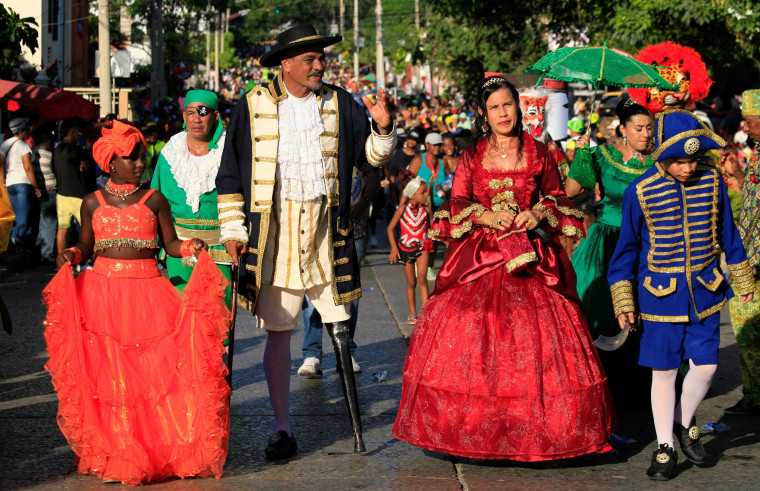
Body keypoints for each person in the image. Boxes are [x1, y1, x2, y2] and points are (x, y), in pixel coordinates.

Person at [393, 76, 614, 461]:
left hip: (532, 257)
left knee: (537, 340)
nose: (502, 113)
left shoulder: (540, 152)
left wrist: (536, 212)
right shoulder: (471, 154)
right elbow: (458, 200)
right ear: (484, 113)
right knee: (471, 335)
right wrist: (486, 215)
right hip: (481, 256)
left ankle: (542, 433)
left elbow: (556, 196)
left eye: (508, 105)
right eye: (494, 107)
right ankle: (475, 432)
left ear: (518, 107)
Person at [216, 25, 396, 459]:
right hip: (273, 237)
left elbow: (369, 159)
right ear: (286, 65)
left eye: (321, 59)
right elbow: (231, 173)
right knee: (279, 334)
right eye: (310, 60)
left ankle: (355, 425)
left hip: (324, 235)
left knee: (339, 327)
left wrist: (383, 129)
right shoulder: (252, 104)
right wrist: (234, 231)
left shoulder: (338, 103)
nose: (320, 66)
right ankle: (282, 427)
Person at [42, 121, 231, 485]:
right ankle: (119, 451)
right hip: (102, 294)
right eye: (131, 158)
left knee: (153, 375)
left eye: (142, 156)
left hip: (149, 293)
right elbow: (85, 244)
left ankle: (156, 448)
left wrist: (189, 248)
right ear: (111, 163)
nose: (141, 163)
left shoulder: (154, 200)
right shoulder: (91, 202)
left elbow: (170, 245)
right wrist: (71, 254)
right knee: (110, 377)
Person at [608, 110, 755, 481]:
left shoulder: (712, 182)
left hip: (706, 291)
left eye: (692, 160)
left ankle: (682, 421)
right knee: (664, 373)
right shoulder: (638, 191)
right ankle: (665, 446)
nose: (688, 169)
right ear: (661, 156)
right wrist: (624, 301)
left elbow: (729, 235)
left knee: (706, 368)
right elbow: (625, 251)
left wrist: (742, 277)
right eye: (679, 161)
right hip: (660, 297)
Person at [564, 98, 655, 404]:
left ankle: (647, 383)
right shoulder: (603, 155)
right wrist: (582, 154)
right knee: (598, 312)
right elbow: (572, 191)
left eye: (649, 128)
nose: (645, 134)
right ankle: (597, 384)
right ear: (623, 129)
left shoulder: (659, 160)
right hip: (606, 244)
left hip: (647, 245)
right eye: (639, 128)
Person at [297, 167, 382, 377]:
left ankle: (346, 351)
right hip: (317, 227)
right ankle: (312, 354)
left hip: (354, 227)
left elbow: (374, 176)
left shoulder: (359, 142)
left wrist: (364, 202)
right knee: (313, 289)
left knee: (350, 290)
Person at [151, 90, 233, 306]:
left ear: (215, 116)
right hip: (180, 250)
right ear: (184, 116)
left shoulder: (230, 152)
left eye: (203, 112)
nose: (196, 119)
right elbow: (155, 202)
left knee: (218, 320)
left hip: (220, 249)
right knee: (184, 316)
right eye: (190, 113)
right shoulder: (169, 154)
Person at [722, 89, 760, 415]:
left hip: (756, 261)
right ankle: (752, 394)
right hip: (748, 255)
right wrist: (738, 175)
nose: (745, 127)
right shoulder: (757, 152)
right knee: (745, 329)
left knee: (749, 330)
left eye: (749, 121)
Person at [387, 177, 432, 325]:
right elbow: (390, 228)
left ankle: (426, 311)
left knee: (422, 279)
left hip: (422, 246)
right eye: (423, 192)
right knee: (411, 281)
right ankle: (413, 313)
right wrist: (394, 247)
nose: (426, 195)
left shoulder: (426, 210)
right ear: (412, 195)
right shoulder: (402, 209)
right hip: (405, 248)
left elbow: (435, 228)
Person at [408, 132, 447, 279]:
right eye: (435, 145)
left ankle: (428, 266)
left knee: (435, 236)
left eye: (439, 145)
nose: (437, 147)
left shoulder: (443, 162)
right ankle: (419, 264)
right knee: (421, 236)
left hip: (439, 205)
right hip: (421, 206)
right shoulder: (419, 160)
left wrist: (445, 187)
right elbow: (407, 181)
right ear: (428, 145)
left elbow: (450, 179)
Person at [0, 118, 41, 251]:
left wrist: (2, 179)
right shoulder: (23, 146)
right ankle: (19, 243)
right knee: (23, 214)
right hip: (23, 183)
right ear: (22, 131)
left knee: (14, 214)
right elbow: (28, 167)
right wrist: (35, 186)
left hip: (10, 183)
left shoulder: (5, 144)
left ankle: (12, 242)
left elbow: (1, 164)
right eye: (27, 129)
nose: (29, 132)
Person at [54, 119, 87, 254]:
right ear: (72, 132)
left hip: (61, 194)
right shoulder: (76, 150)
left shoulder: (56, 150)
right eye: (76, 133)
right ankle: (89, 258)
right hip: (77, 194)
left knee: (62, 229)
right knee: (87, 229)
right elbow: (85, 167)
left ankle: (61, 260)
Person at [33, 125, 57, 264]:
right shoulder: (50, 155)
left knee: (41, 223)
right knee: (49, 224)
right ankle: (47, 254)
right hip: (49, 191)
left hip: (39, 192)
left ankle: (39, 251)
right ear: (48, 141)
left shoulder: (33, 153)